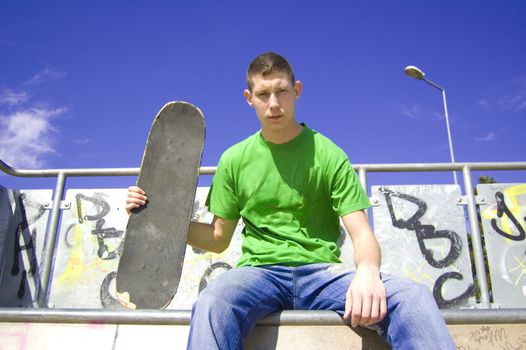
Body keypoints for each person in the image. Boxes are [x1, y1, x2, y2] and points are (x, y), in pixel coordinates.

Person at [125, 52, 455, 349]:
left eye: (282, 91)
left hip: (322, 273)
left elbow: (362, 233)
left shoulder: (328, 153)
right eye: (263, 94)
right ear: (248, 98)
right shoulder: (234, 160)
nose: (274, 103)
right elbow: (217, 239)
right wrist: (156, 218)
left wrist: (368, 270)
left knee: (412, 298)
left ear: (296, 90)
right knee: (212, 303)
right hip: (260, 274)